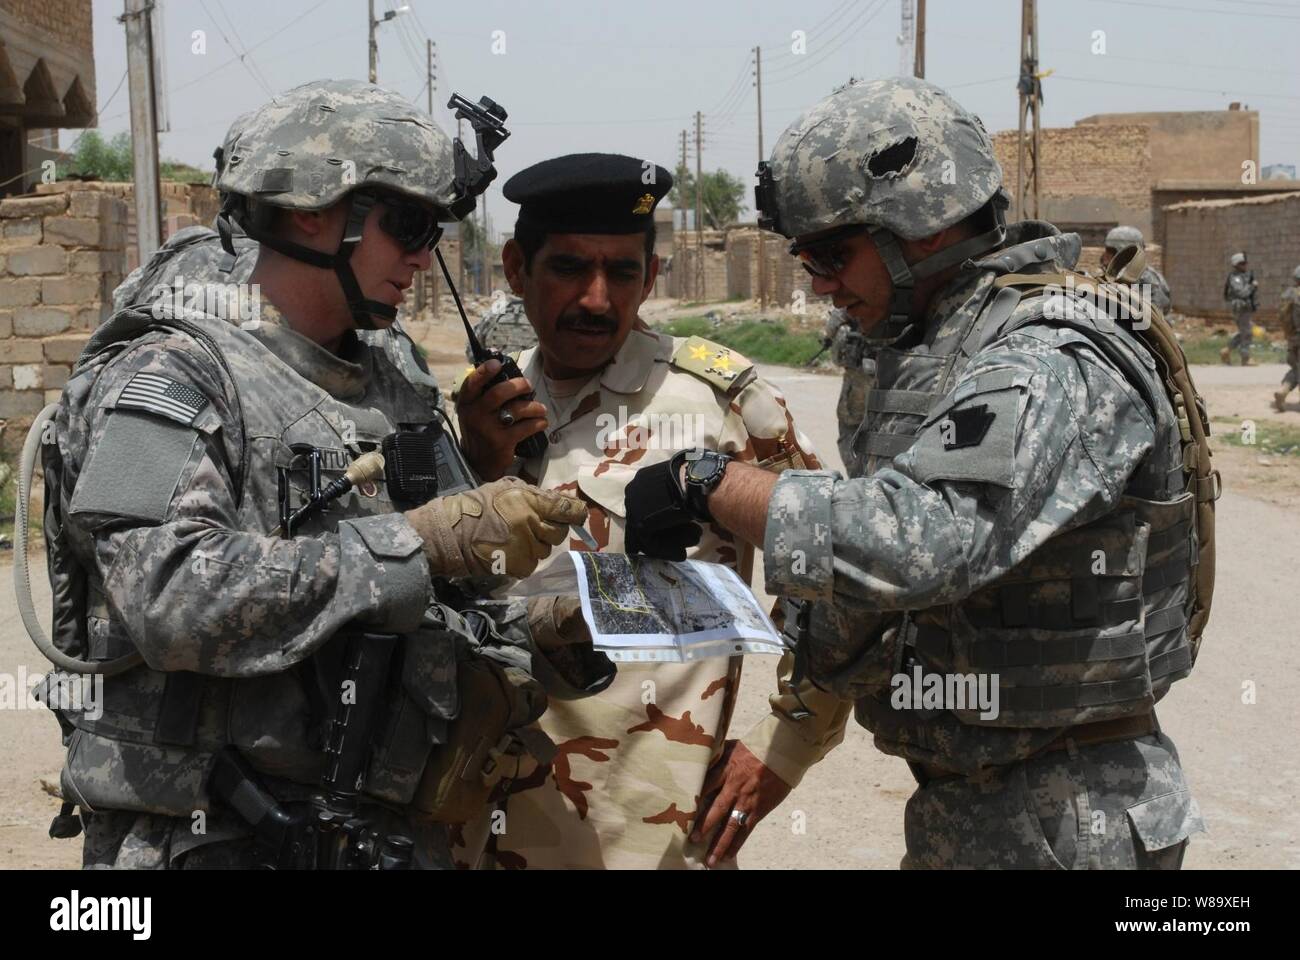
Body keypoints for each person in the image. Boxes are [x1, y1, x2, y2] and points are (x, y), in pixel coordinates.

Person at [625, 77, 1209, 869]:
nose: (818, 282)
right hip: (979, 809)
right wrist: (789, 734)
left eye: (833, 252)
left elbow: (918, 541)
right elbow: (866, 587)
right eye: (804, 256)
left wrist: (710, 482)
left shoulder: (1050, 356)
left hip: (1071, 822)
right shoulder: (927, 350)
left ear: (926, 229)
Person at [36, 79, 604, 869]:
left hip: (377, 835)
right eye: (407, 224)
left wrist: (555, 623)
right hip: (215, 838)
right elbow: (168, 598)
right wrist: (420, 542)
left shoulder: (391, 384)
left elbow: (422, 605)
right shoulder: (173, 374)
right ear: (311, 210)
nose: (421, 254)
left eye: (433, 229)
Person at [452, 153, 850, 869]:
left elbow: (840, 578)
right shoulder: (482, 409)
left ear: (652, 276)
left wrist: (782, 747)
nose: (598, 299)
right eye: (570, 267)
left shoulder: (720, 404)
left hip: (648, 842)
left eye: (623, 272)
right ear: (516, 269)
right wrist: (475, 467)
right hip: (481, 831)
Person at [1101, 225, 1171, 314]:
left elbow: (1150, 315)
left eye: (1110, 251)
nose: (1105, 255)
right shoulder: (1119, 275)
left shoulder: (1144, 278)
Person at [1223, 252, 1258, 365]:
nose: (1245, 265)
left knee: (1246, 331)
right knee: (1246, 332)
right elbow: (1241, 293)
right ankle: (1245, 358)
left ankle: (1227, 350)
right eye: (1242, 263)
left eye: (1245, 263)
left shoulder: (1243, 276)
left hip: (1245, 308)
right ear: (1236, 265)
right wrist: (1252, 286)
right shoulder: (1235, 278)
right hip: (1240, 308)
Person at [1275, 265, 1300, 412]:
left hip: (1292, 337)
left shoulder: (1288, 294)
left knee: (1295, 368)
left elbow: (1282, 317)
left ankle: (1283, 390)